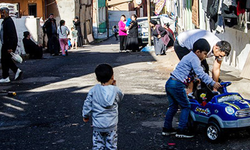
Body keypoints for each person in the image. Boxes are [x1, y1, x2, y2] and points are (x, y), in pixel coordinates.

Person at [162, 39, 221, 138]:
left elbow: (189, 71)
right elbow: (201, 73)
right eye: (205, 54)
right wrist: (212, 83)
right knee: (186, 106)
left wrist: (195, 79)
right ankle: (182, 130)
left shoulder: (189, 56)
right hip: (177, 84)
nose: (205, 56)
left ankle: (167, 129)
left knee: (173, 107)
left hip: (170, 83)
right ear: (198, 52)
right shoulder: (195, 59)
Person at [174, 29, 231, 94]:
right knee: (193, 72)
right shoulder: (206, 45)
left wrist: (214, 87)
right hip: (182, 44)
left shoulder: (221, 48)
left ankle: (204, 92)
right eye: (220, 55)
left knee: (205, 69)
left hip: (196, 47)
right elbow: (198, 68)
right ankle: (190, 94)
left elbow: (216, 69)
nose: (220, 57)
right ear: (216, 48)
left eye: (222, 56)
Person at [82, 64, 124, 150]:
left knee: (98, 145)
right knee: (111, 145)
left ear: (97, 79)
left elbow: (87, 104)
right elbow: (120, 98)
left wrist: (85, 115)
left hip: (98, 125)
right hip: (111, 124)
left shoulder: (93, 90)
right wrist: (114, 86)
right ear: (112, 77)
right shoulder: (115, 90)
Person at [0, 7, 22, 83]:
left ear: (7, 12)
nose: (2, 14)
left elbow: (12, 35)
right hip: (5, 43)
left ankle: (8, 75)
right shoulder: (5, 21)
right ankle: (10, 74)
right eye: (1, 13)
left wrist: (10, 47)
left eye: (3, 12)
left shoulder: (8, 22)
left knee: (5, 60)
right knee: (5, 60)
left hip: (7, 44)